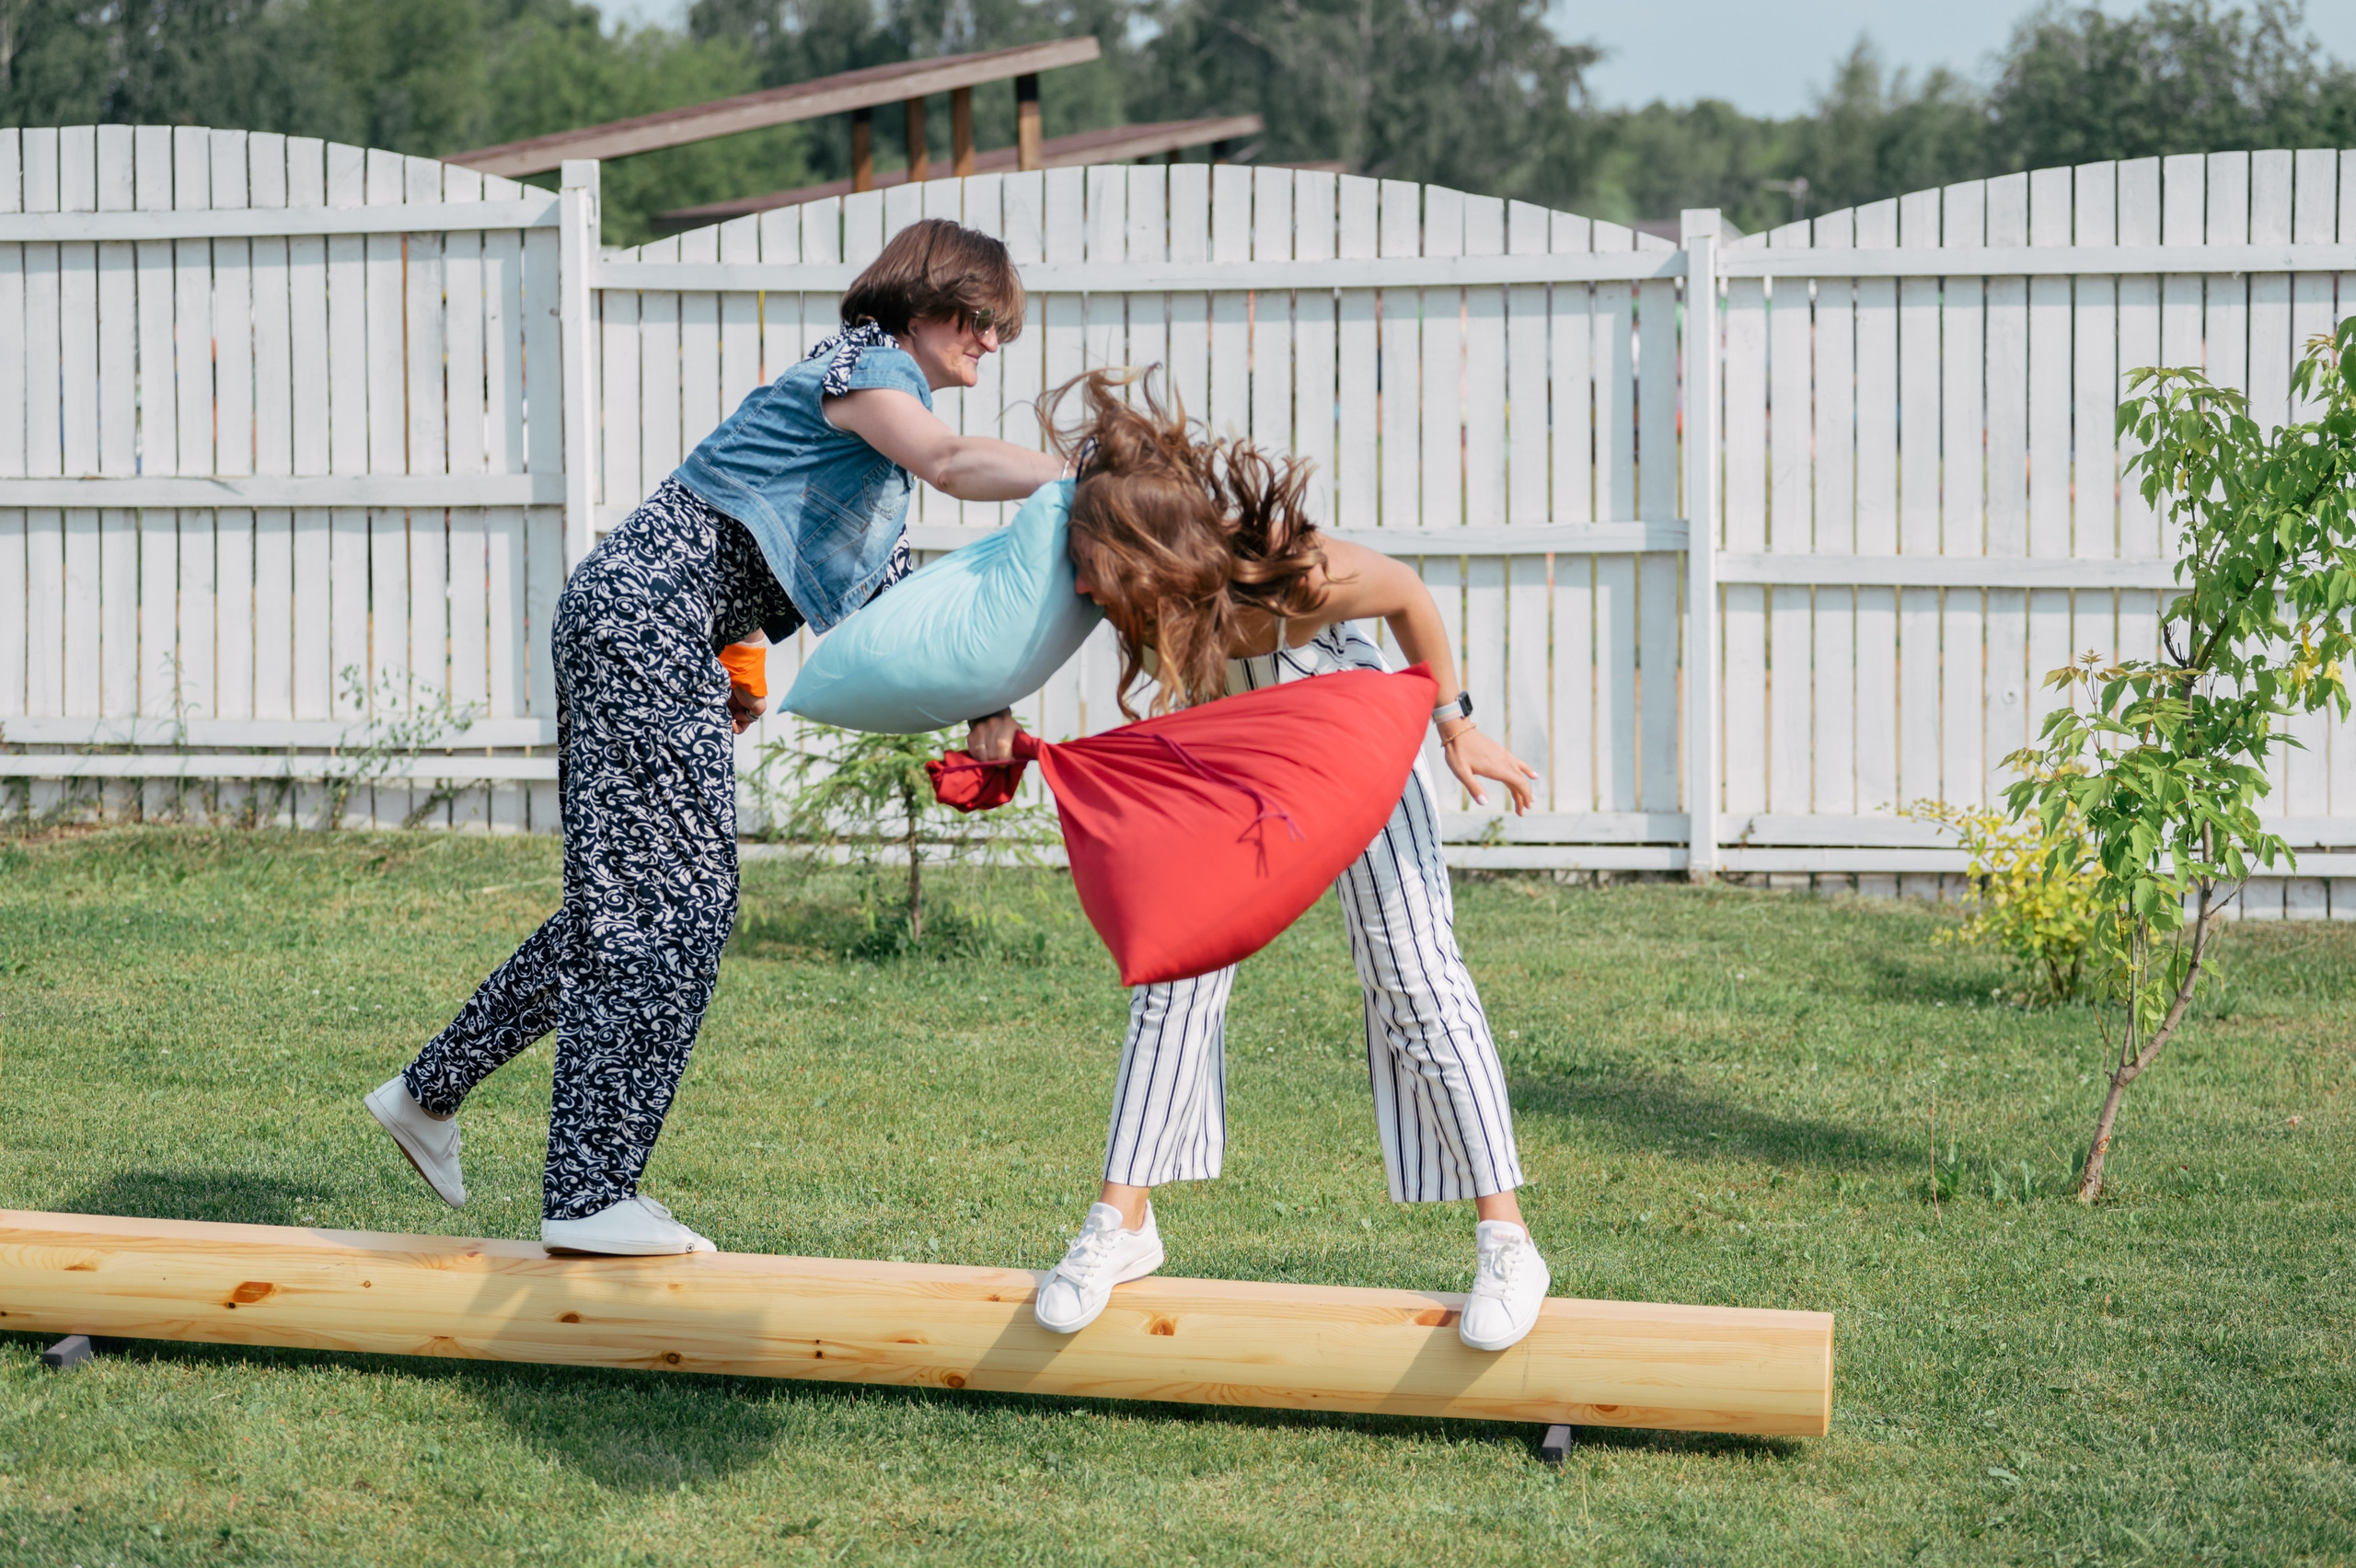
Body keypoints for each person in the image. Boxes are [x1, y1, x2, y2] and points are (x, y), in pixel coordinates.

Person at [364, 219, 1066, 1256]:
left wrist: (990, 722)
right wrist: (1080, 477)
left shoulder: (874, 473)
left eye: (997, 326)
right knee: (675, 910)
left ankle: (428, 1096)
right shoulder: (864, 367)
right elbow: (958, 461)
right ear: (922, 303)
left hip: (656, 633)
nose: (990, 342)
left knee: (633, 905)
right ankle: (589, 1195)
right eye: (977, 318)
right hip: (640, 624)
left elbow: (910, 625)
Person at [964, 369, 1553, 1352]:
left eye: (1094, 567)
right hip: (1233, 764)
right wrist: (991, 716)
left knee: (1412, 970)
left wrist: (1454, 726)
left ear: (1150, 556)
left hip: (1342, 743)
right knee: (1177, 972)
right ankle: (1122, 1222)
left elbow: (1407, 594)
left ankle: (1508, 1242)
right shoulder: (1112, 587)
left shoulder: (1291, 572)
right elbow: (1012, 641)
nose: (1079, 585)